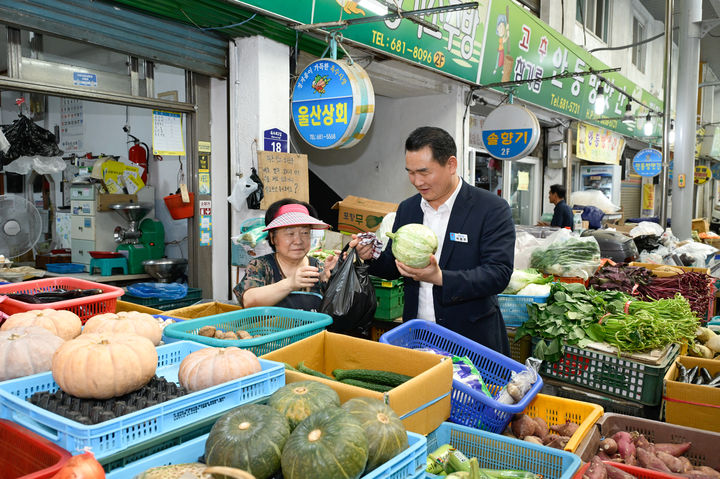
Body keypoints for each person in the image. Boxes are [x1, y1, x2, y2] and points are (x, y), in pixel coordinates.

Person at [353, 126, 515, 355]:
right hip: (418, 339)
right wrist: (372, 255)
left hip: (471, 342)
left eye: (424, 172)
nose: (417, 181)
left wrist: (440, 278)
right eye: (410, 172)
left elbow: (498, 274)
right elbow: (395, 266)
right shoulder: (408, 209)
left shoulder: (490, 209)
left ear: (451, 165)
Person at [233, 199, 338, 311]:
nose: (298, 241)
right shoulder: (260, 266)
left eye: (305, 233)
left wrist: (335, 277)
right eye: (290, 233)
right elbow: (249, 301)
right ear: (273, 238)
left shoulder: (318, 268)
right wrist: (290, 283)